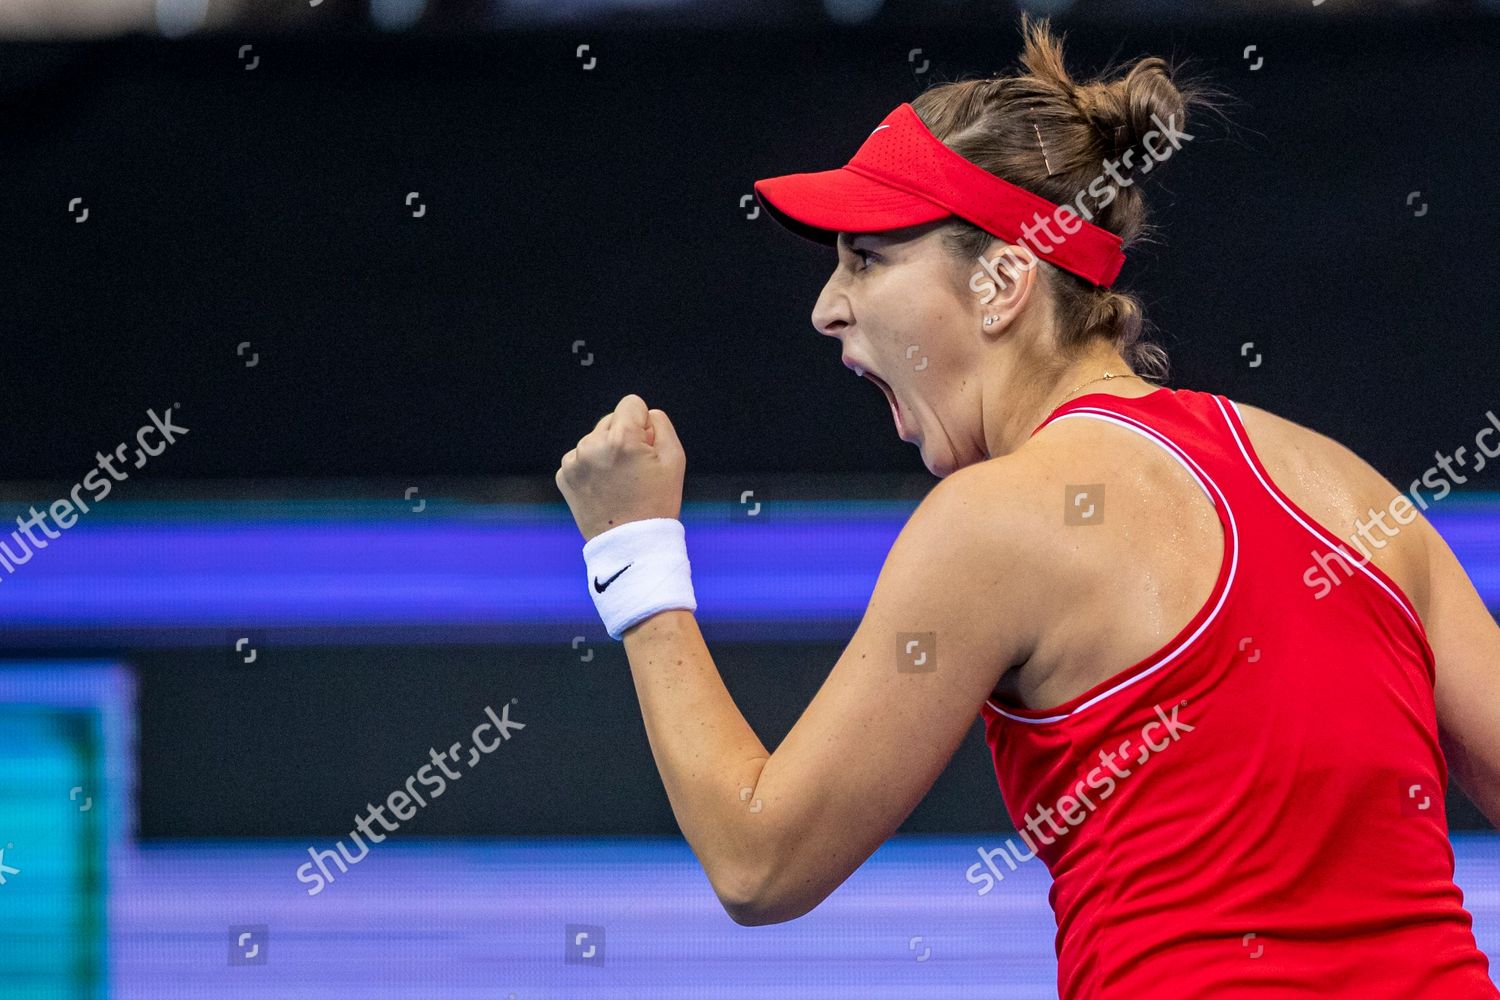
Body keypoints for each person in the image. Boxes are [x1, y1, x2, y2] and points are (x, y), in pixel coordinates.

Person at [553, 16, 1500, 998]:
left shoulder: (994, 521)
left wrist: (636, 550)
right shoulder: (1351, 489)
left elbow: (759, 862)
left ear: (1004, 278)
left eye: (868, 259)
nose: (826, 306)